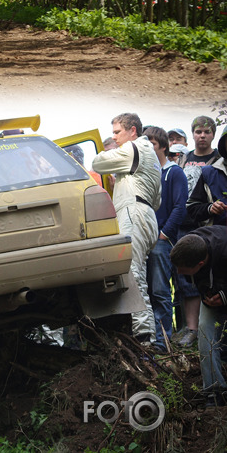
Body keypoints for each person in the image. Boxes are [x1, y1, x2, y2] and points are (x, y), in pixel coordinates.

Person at [92, 113, 162, 344]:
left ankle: (145, 339)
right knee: (135, 273)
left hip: (134, 213)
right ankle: (143, 335)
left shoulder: (133, 148)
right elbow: (158, 200)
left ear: (132, 130)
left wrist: (108, 155)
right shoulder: (150, 156)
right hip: (147, 214)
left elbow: (98, 163)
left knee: (133, 275)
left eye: (116, 132)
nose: (115, 137)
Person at [173, 115, 220, 348]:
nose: (202, 135)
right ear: (192, 134)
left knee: (210, 277)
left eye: (207, 132)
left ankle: (207, 328)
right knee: (184, 279)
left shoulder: (218, 160)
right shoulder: (184, 159)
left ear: (213, 134)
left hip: (208, 226)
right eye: (198, 132)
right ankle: (189, 328)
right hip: (183, 223)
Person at [170, 226, 227, 407]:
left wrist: (225, 296)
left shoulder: (224, 248)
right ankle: (215, 391)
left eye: (183, 270)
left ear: (200, 264)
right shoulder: (189, 246)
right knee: (204, 331)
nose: (178, 274)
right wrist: (208, 296)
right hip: (212, 296)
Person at [143, 126, 188, 351]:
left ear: (162, 146)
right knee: (146, 291)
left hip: (161, 240)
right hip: (144, 240)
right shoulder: (144, 173)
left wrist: (164, 234)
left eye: (151, 143)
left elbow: (180, 207)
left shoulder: (173, 172)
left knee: (161, 291)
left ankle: (163, 342)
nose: (148, 148)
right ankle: (151, 340)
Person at [186, 125, 227, 228]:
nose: (202, 135)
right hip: (218, 238)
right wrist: (210, 208)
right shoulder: (209, 173)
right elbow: (192, 208)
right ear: (224, 144)